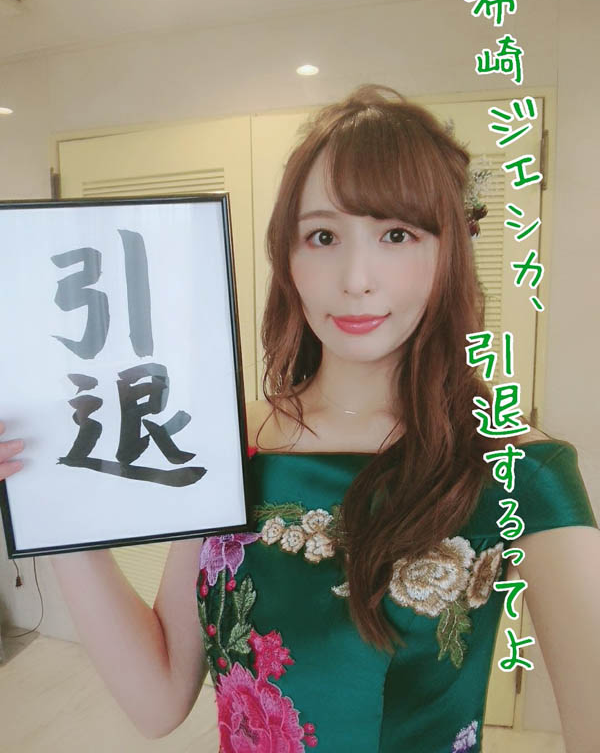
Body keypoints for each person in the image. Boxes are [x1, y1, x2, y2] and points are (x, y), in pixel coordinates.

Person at [1, 84, 598, 752]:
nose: (356, 277)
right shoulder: (229, 443)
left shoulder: (523, 471)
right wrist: (50, 495)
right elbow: (158, 699)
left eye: (396, 234)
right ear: (287, 257)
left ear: (450, 250)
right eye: (322, 236)